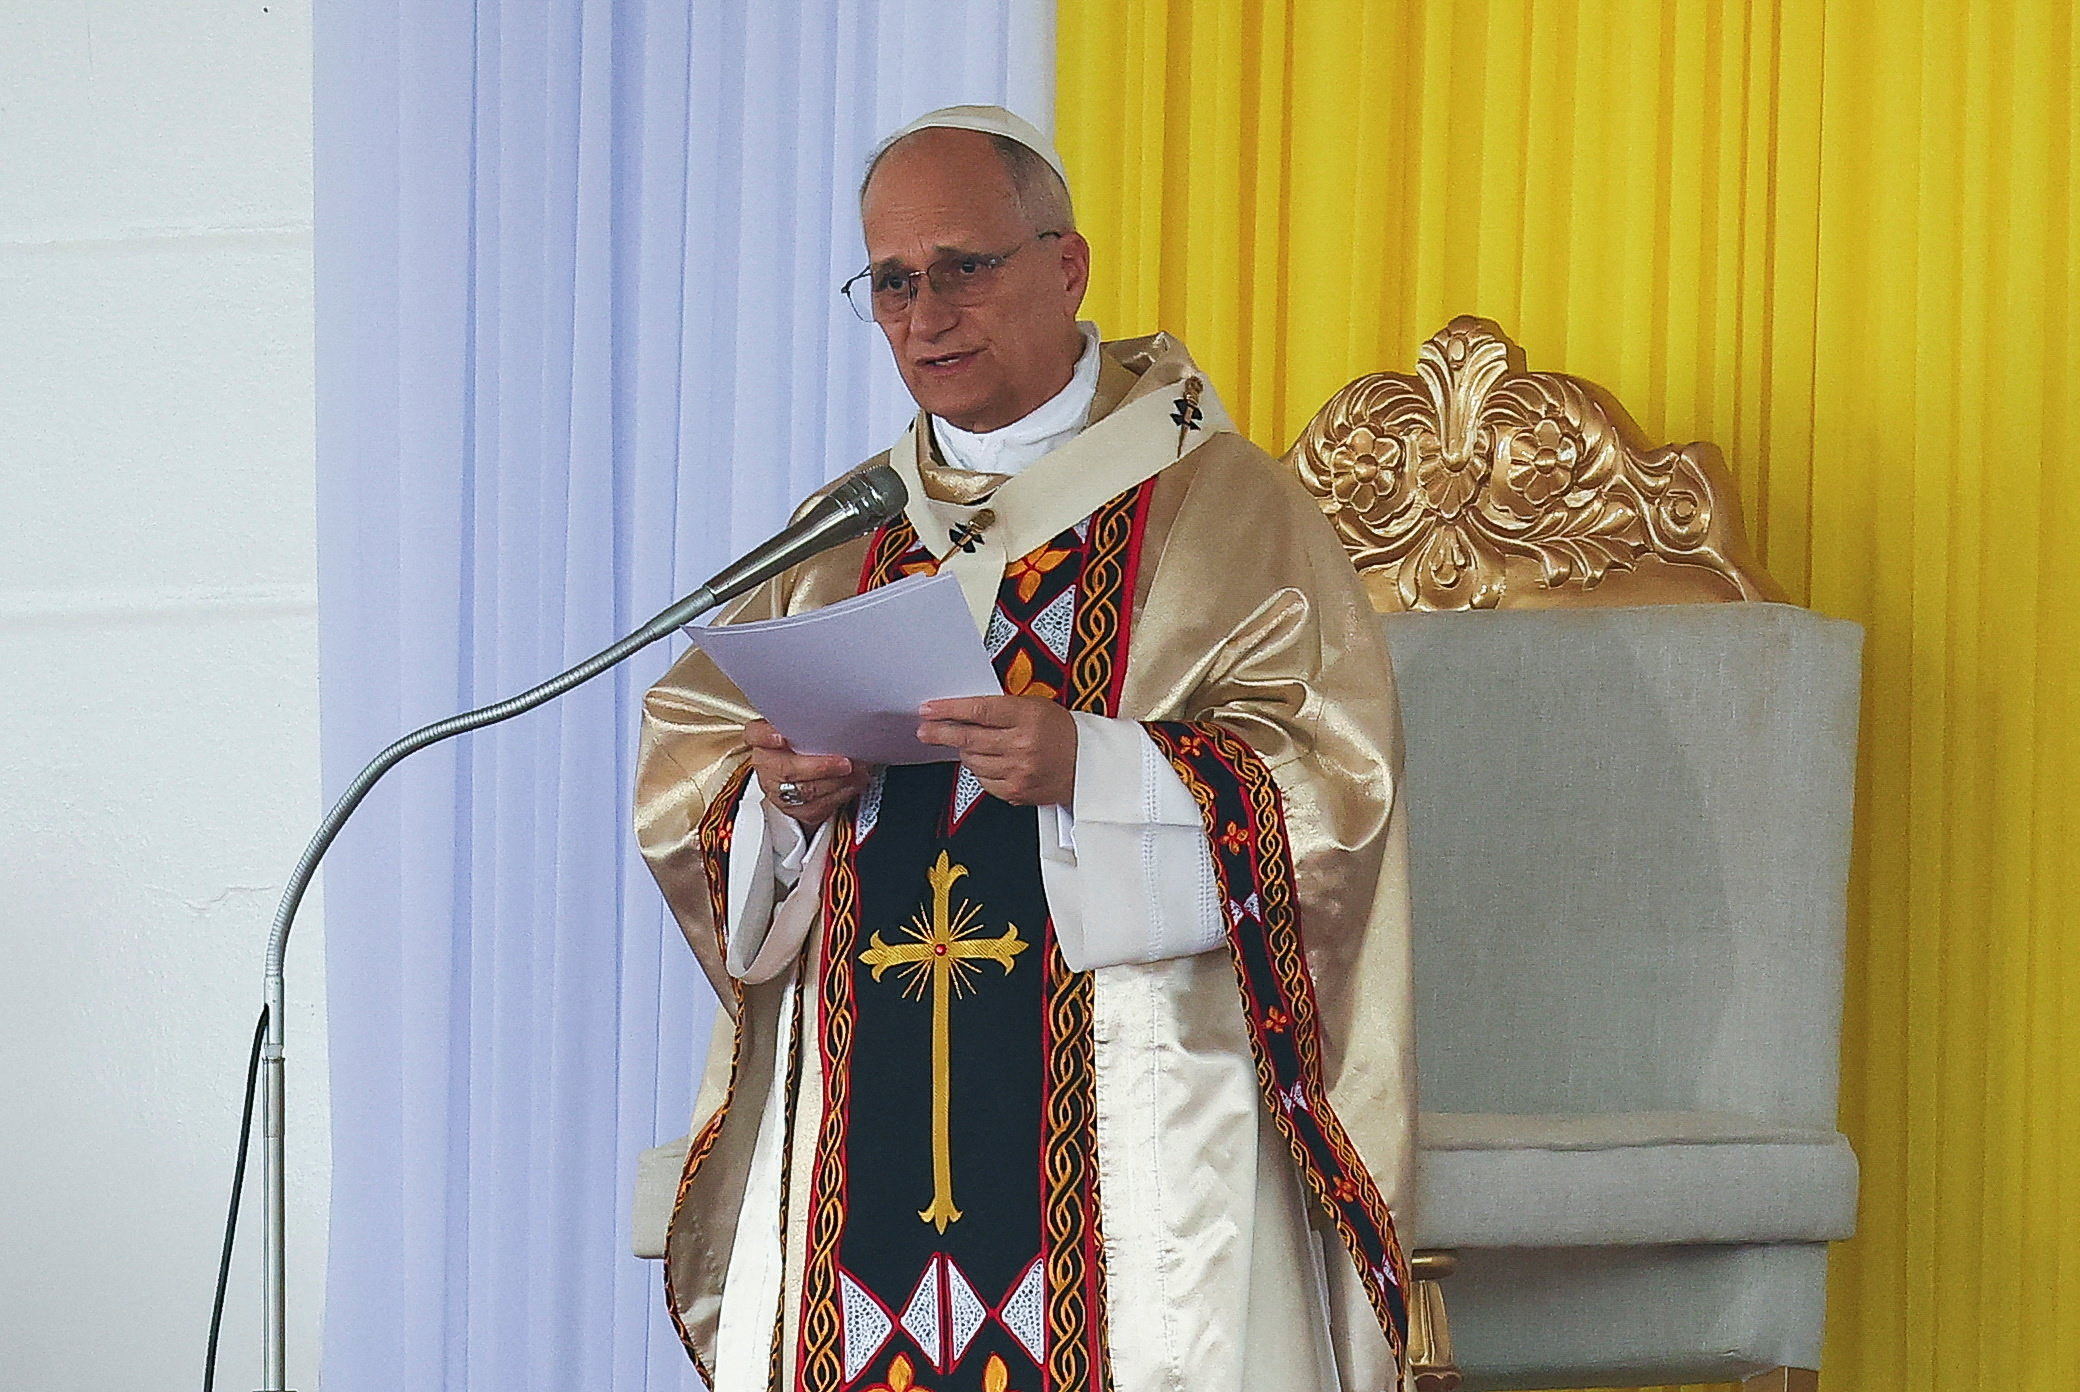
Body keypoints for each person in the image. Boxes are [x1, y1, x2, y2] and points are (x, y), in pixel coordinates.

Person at [635, 105, 1415, 1392]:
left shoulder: (1228, 508)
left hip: (1138, 1119)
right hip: (863, 1127)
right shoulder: (836, 537)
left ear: (1067, 266)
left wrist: (1096, 770)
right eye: (891, 281)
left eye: (963, 267)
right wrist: (781, 801)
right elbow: (699, 772)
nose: (924, 313)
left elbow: (1333, 790)